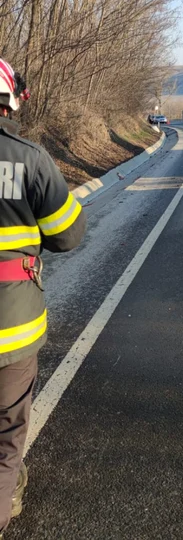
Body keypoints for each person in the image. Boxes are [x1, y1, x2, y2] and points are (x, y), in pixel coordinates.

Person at [0, 58, 86, 537]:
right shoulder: (28, 157)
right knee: (7, 436)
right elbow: (68, 235)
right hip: (10, 327)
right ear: (12, 99)